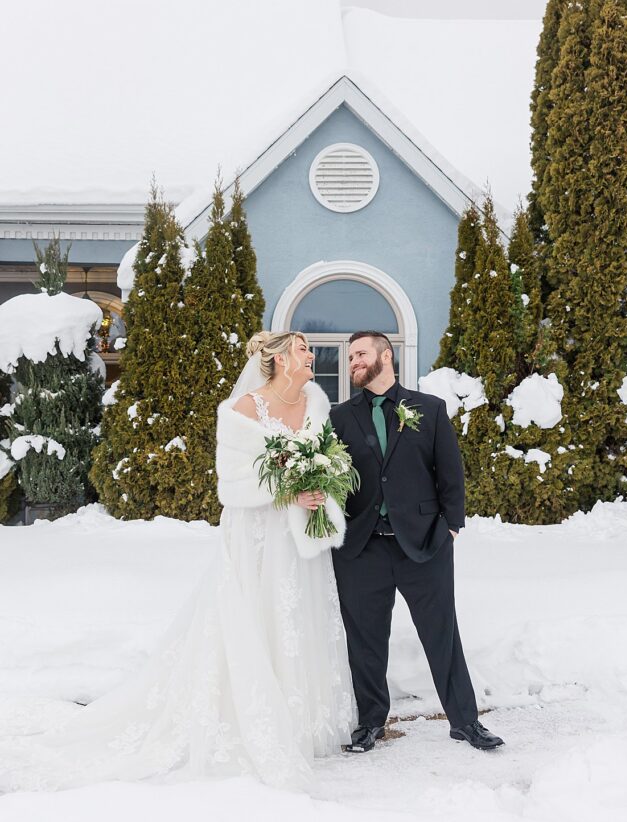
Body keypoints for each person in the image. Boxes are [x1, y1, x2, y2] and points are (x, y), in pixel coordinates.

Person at [0, 331, 355, 792]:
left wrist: (320, 486)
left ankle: (300, 718)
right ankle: (252, 715)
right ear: (281, 359)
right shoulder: (243, 411)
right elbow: (230, 486)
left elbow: (325, 459)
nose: (312, 356)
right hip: (256, 538)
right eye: (304, 349)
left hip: (299, 537)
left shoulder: (315, 402)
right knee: (257, 616)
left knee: (297, 618)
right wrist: (287, 488)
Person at [330, 331, 503, 753]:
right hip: (361, 548)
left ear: (385, 356)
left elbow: (450, 473)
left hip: (425, 544)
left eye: (360, 354)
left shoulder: (429, 408)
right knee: (366, 641)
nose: (352, 361)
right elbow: (334, 479)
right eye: (349, 356)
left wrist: (451, 526)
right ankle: (371, 724)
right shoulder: (338, 417)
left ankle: (465, 722)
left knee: (442, 634)